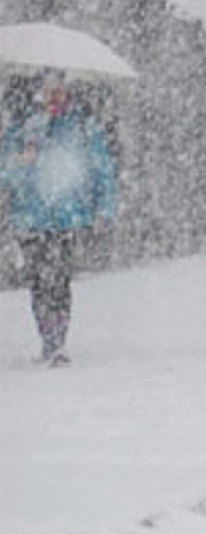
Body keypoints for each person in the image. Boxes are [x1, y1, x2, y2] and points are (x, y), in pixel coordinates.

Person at [0, 71, 118, 366]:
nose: (53, 97)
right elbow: (5, 175)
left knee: (60, 279)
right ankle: (48, 339)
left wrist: (104, 209)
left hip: (67, 217)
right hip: (30, 218)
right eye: (47, 91)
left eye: (59, 91)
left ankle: (58, 342)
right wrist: (22, 161)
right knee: (39, 281)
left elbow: (102, 170)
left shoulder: (81, 126)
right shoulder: (20, 129)